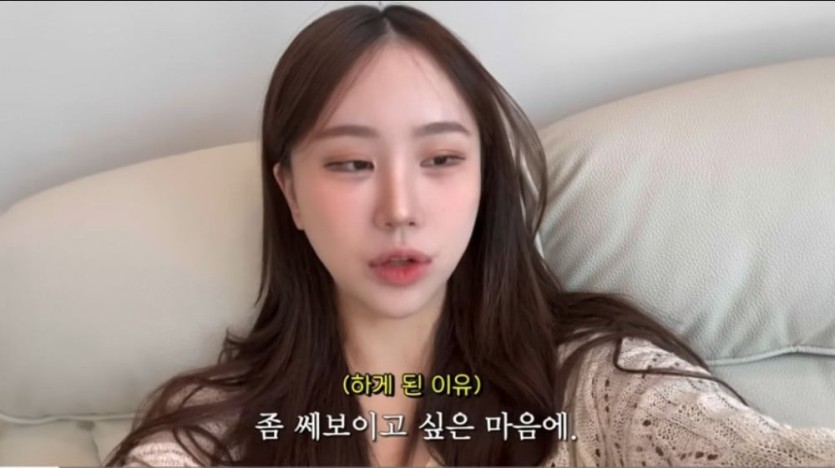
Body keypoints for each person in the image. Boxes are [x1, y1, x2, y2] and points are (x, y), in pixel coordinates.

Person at [105, 3, 835, 467]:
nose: (399, 209)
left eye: (441, 160)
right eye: (352, 163)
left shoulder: (599, 386)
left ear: (485, 181)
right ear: (290, 192)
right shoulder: (219, 428)